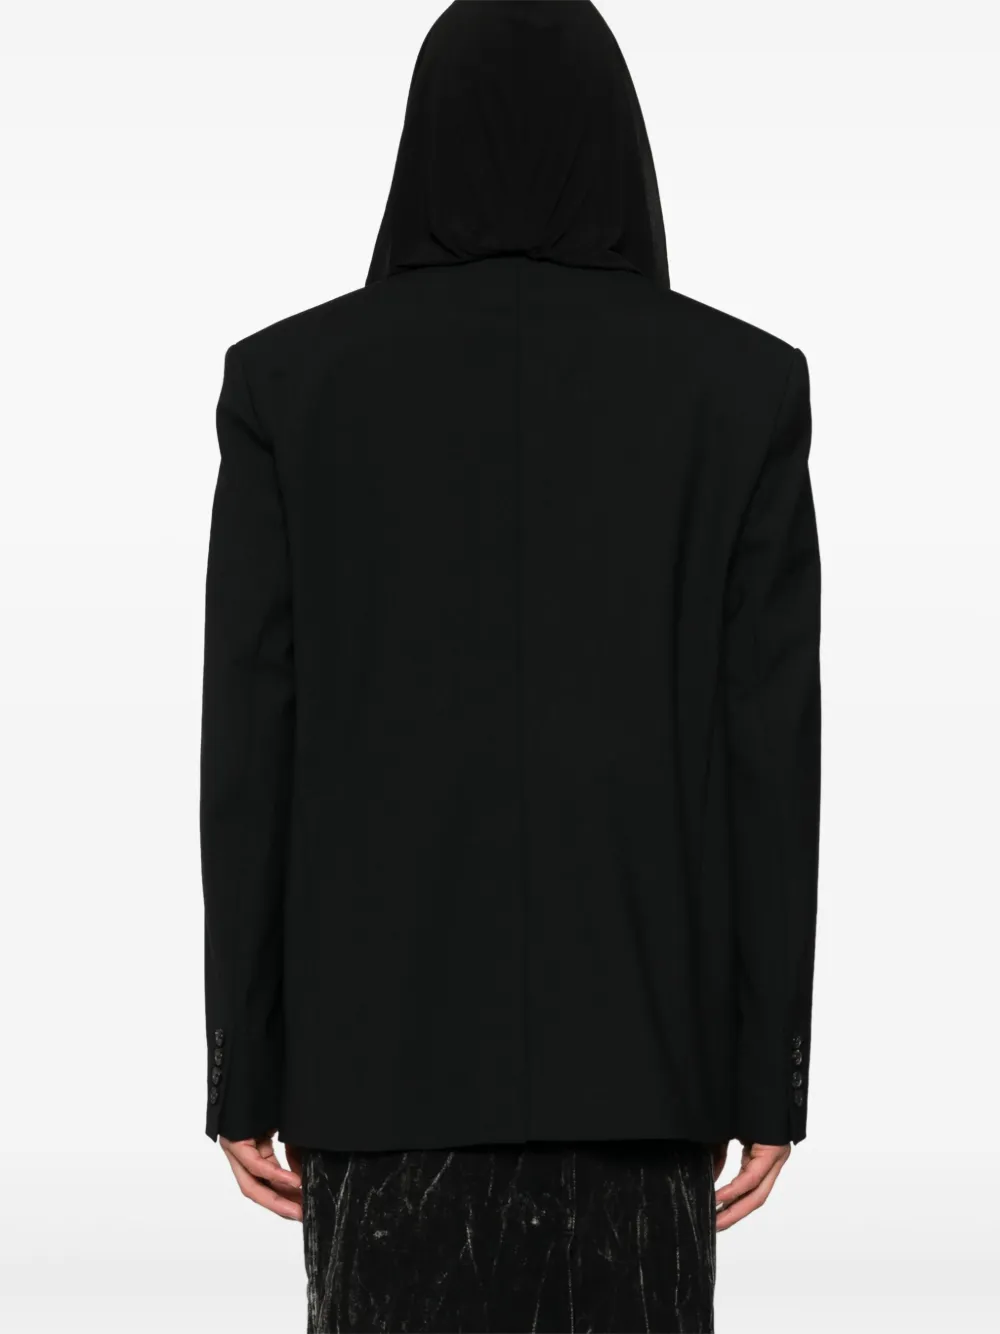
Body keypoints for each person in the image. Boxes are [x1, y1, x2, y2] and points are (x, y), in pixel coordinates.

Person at [198, 2, 821, 1330]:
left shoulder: (292, 386)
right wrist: (768, 1075)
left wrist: (243, 1065)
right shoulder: (740, 388)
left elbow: (251, 750)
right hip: (646, 1076)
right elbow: (768, 761)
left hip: (376, 1080)